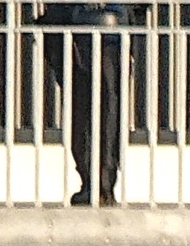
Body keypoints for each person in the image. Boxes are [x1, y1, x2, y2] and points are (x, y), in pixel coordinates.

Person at [40, 4, 134, 206]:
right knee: (104, 105)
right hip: (105, 26)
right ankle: (100, 183)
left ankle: (97, 183)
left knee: (88, 106)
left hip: (85, 26)